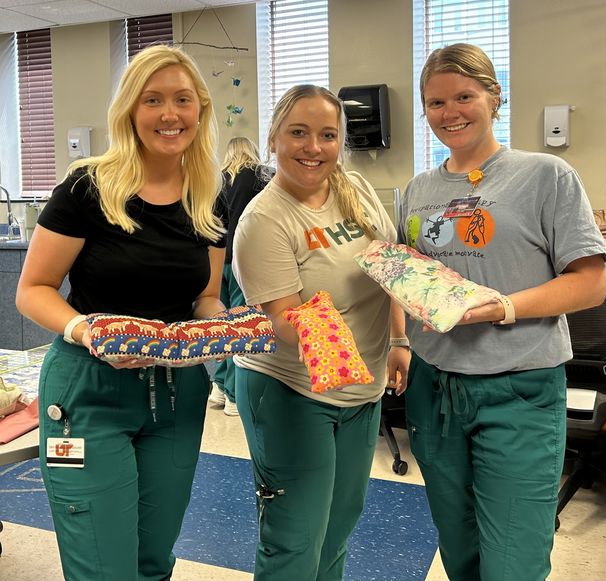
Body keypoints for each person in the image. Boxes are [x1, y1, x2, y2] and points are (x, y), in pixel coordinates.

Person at [389, 43, 606, 581]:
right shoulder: (418, 190)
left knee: (513, 559)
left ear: (494, 97)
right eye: (436, 102)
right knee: (460, 548)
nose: (451, 112)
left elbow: (591, 283)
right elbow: (403, 279)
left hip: (518, 387)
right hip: (435, 389)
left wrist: (502, 307)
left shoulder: (544, 176)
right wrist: (398, 342)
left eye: (464, 96)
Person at [15, 44, 227, 581]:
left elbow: (204, 298)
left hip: (177, 397)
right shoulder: (88, 187)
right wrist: (86, 329)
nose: (169, 114)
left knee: (152, 562)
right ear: (130, 110)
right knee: (104, 568)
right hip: (88, 394)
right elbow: (33, 288)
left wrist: (224, 328)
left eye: (182, 99)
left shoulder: (207, 196)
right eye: (152, 99)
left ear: (199, 110)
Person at [231, 84, 407, 581]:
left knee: (337, 529)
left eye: (328, 135)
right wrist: (342, 354)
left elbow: (389, 269)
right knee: (295, 538)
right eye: (299, 133)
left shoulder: (357, 189)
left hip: (363, 389)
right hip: (293, 391)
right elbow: (285, 317)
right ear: (273, 138)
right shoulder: (264, 219)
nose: (314, 147)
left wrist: (398, 340)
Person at [208, 136, 273, 416]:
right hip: (243, 259)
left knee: (222, 321)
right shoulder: (261, 175)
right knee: (240, 323)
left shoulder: (216, 180)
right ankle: (235, 396)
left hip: (215, 258)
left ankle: (219, 386)